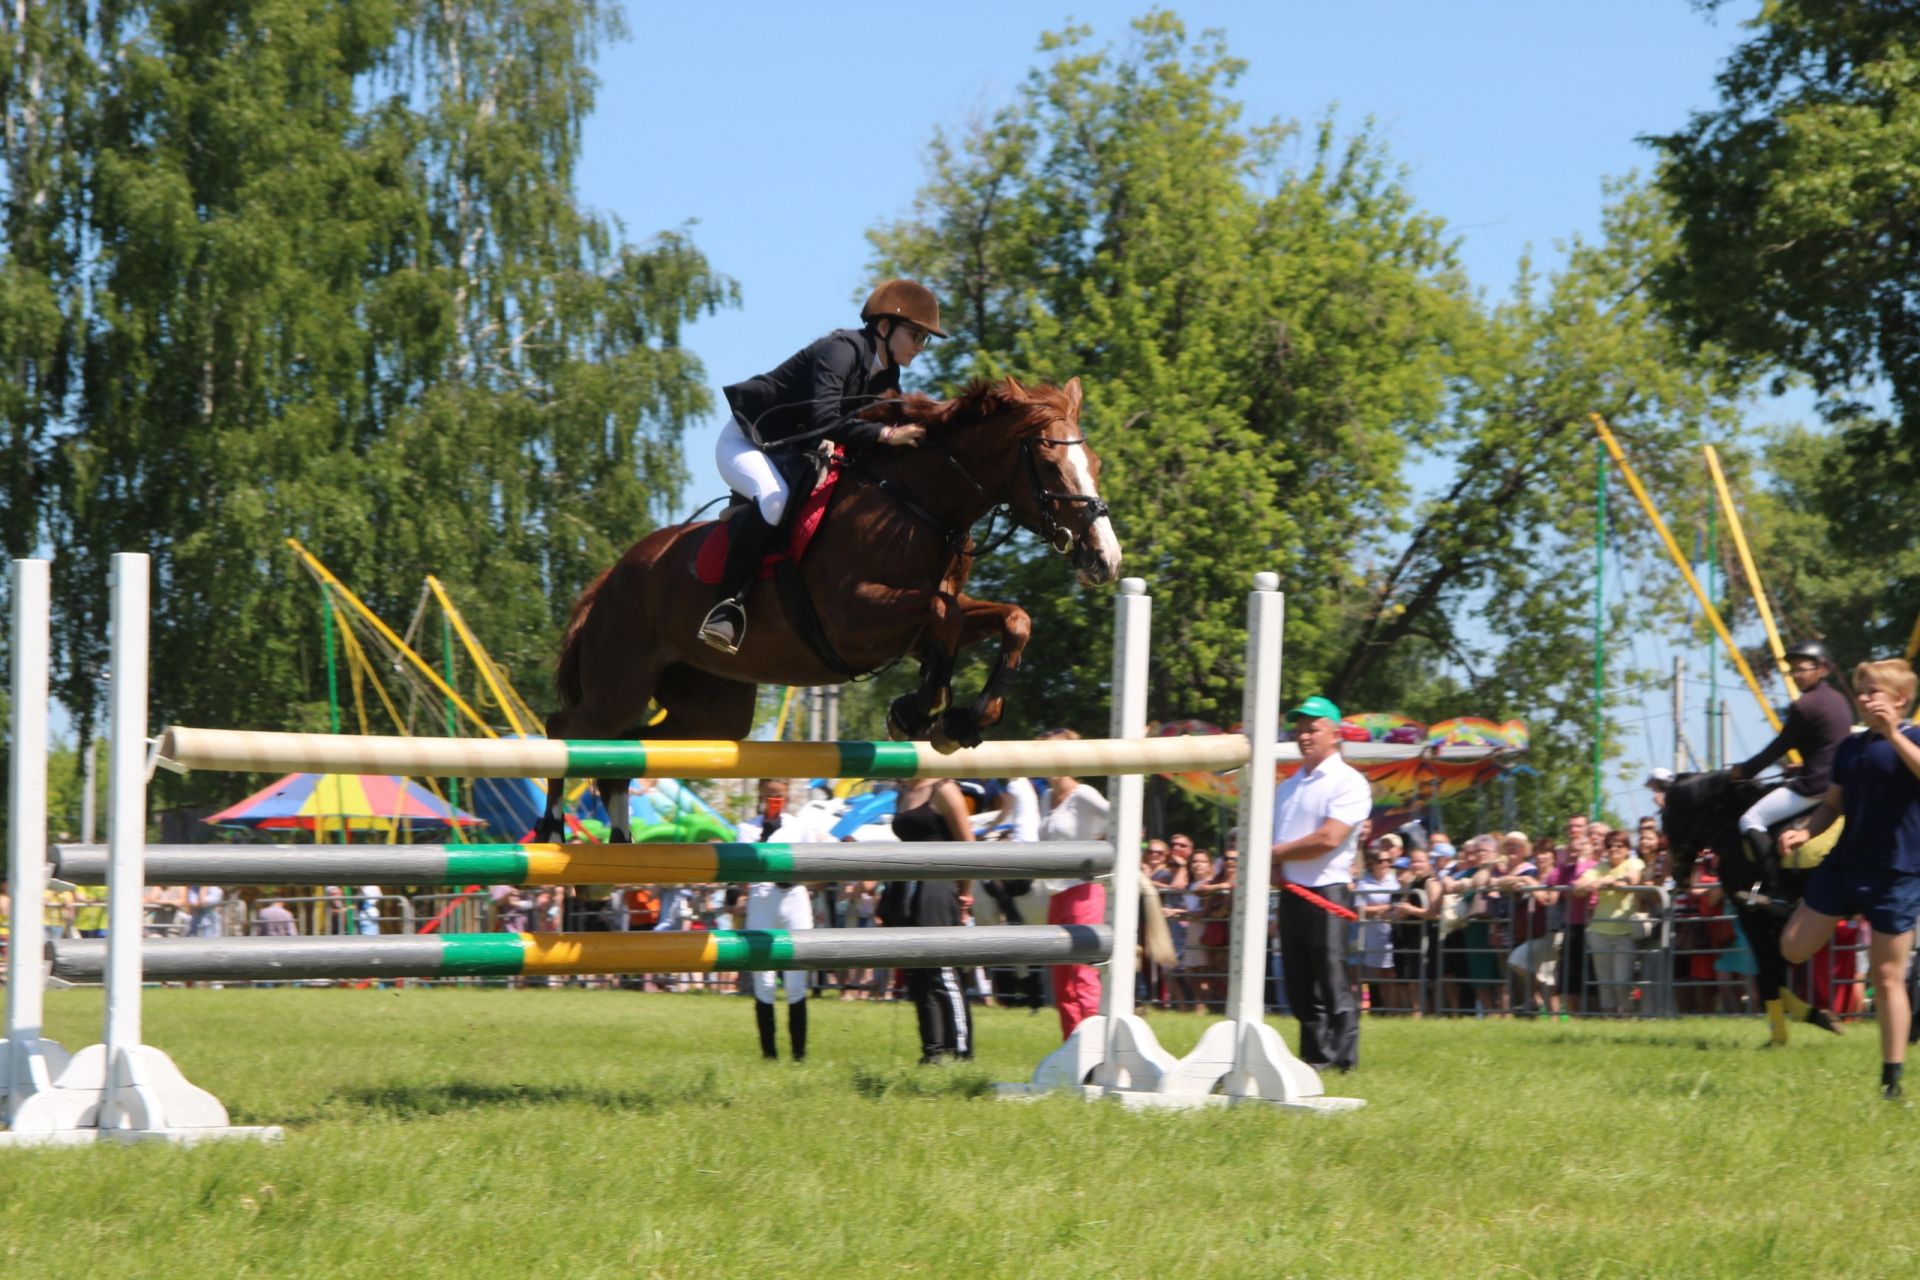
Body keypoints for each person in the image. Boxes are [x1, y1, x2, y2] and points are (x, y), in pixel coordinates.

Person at [697, 279, 946, 653]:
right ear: (883, 327)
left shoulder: (887, 377)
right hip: (747, 442)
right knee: (776, 500)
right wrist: (884, 436)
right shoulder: (840, 351)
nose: (920, 347)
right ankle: (727, 606)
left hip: (789, 452)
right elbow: (823, 421)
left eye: (925, 339)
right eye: (916, 335)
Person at [1780, 658, 1920, 1101]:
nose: (1863, 698)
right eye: (1860, 690)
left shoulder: (1914, 737)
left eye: (1873, 691)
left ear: (1900, 699)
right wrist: (1805, 830)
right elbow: (1832, 805)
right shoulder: (1849, 748)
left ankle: (1891, 1081)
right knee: (1792, 946)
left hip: (1897, 873)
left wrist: (1893, 733)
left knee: (1886, 978)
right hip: (1844, 866)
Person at [1270, 695, 1372, 1072]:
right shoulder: (1288, 785)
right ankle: (1314, 1058)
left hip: (1328, 891)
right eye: (1299, 729)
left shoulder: (1348, 782)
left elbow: (1329, 838)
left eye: (1313, 728)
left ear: (1335, 734)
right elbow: (1276, 838)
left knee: (1332, 980)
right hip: (1292, 891)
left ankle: (1344, 1061)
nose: (1304, 735)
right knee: (1299, 981)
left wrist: (1275, 854)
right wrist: (1273, 864)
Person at [1728, 640, 1854, 907]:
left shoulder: (1805, 706)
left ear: (1821, 668)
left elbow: (1775, 750)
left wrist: (1743, 771)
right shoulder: (1839, 700)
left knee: (1751, 819)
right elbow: (1831, 745)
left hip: (1815, 785)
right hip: (1835, 777)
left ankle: (1775, 890)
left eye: (1801, 670)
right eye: (1792, 671)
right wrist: (1803, 765)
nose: (1795, 676)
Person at [879, 775, 976, 1063]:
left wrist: (965, 896)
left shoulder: (944, 788)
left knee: (943, 973)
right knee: (917, 975)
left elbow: (968, 844)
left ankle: (960, 1051)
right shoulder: (903, 791)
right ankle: (931, 1051)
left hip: (939, 887)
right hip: (908, 888)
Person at [1034, 730, 1112, 1038]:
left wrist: (1096, 851)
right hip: (1056, 894)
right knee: (1061, 981)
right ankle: (1072, 1049)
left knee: (1083, 976)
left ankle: (1094, 1048)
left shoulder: (1084, 795)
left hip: (1084, 891)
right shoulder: (1045, 797)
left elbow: (1127, 821)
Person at [1577, 831, 1646, 1016]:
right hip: (1599, 931)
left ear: (1627, 849)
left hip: (1625, 932)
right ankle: (1609, 1021)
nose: (1614, 849)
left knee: (1622, 981)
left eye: (1619, 845)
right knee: (1605, 983)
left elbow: (1632, 879)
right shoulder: (1600, 868)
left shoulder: (1634, 863)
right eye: (1610, 846)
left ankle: (1628, 1017)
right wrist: (1599, 881)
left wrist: (1611, 882)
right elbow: (1578, 887)